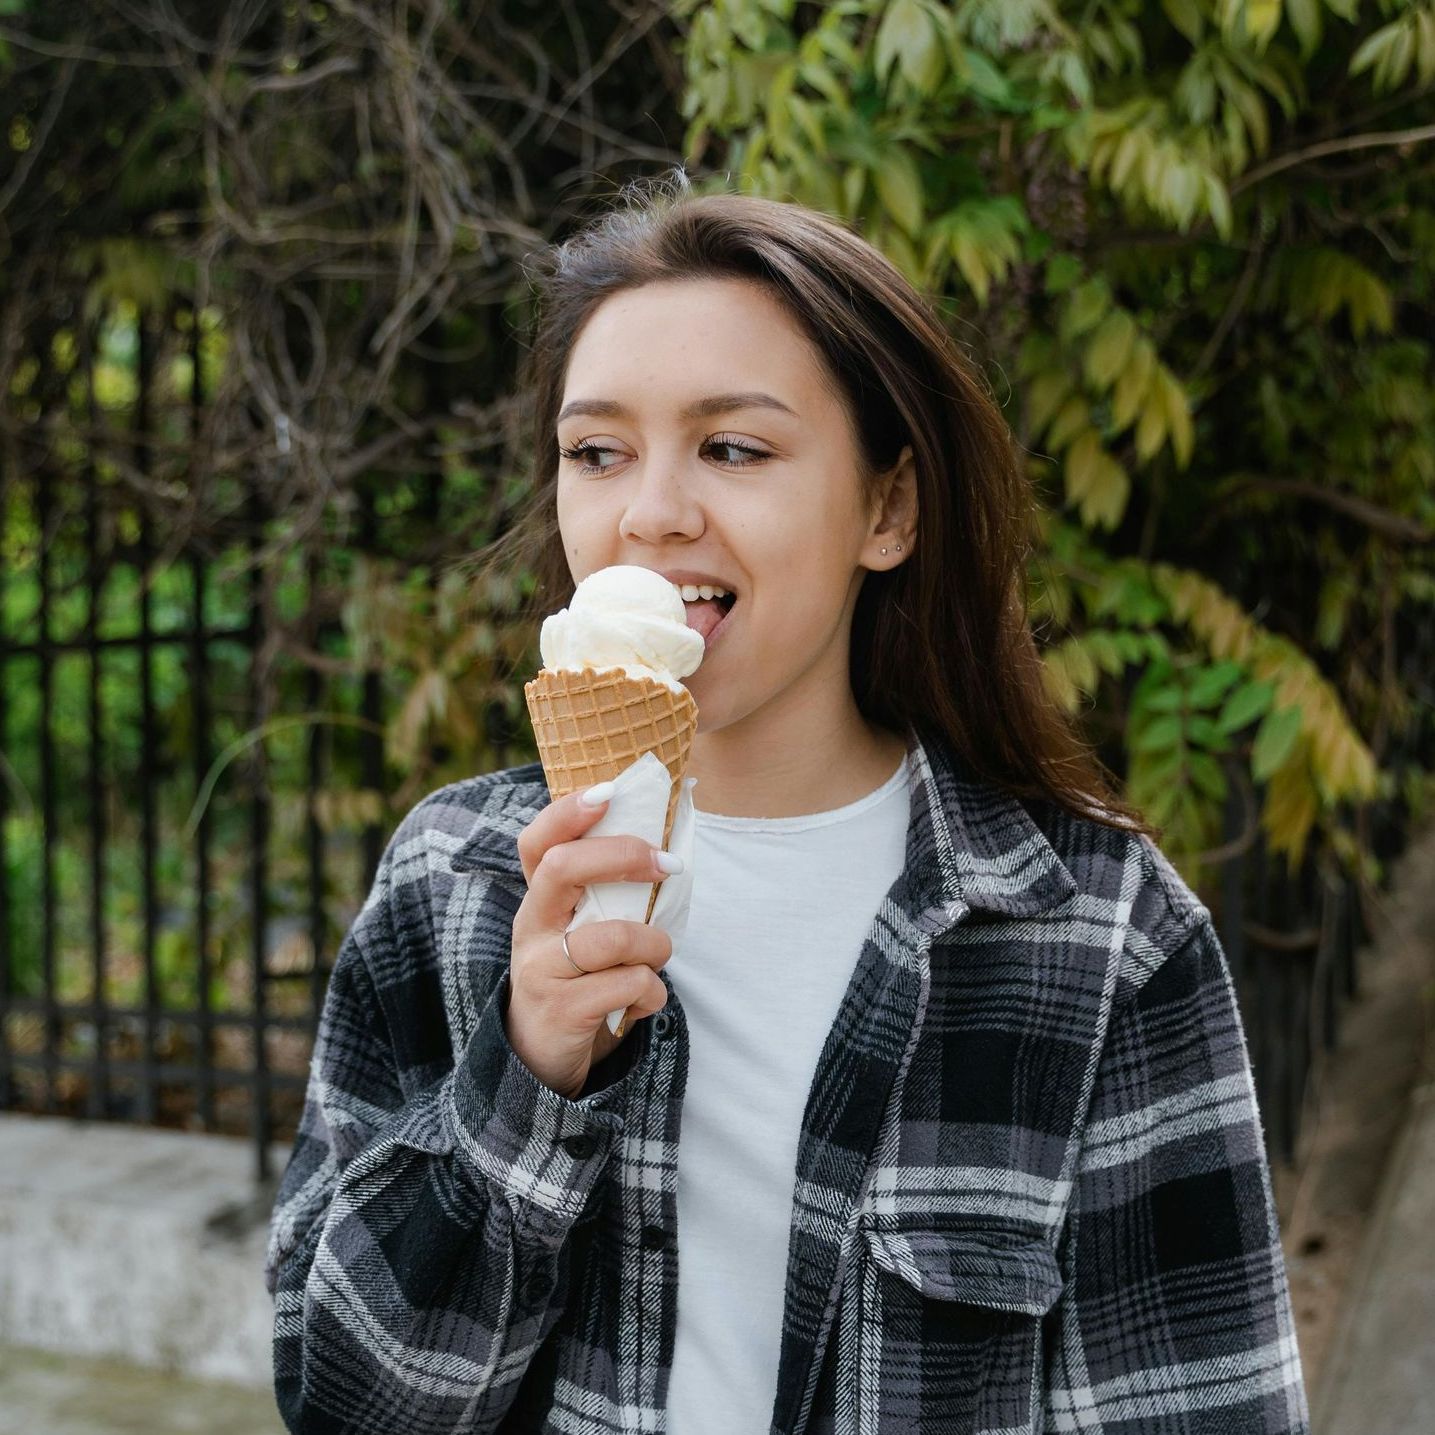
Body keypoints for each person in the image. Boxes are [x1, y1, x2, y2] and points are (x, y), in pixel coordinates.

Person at [264, 169, 1310, 1434]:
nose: (649, 513)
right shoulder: (459, 881)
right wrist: (526, 1074)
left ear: (888, 507)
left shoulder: (1098, 932)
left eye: (734, 448)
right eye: (597, 452)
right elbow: (343, 1405)